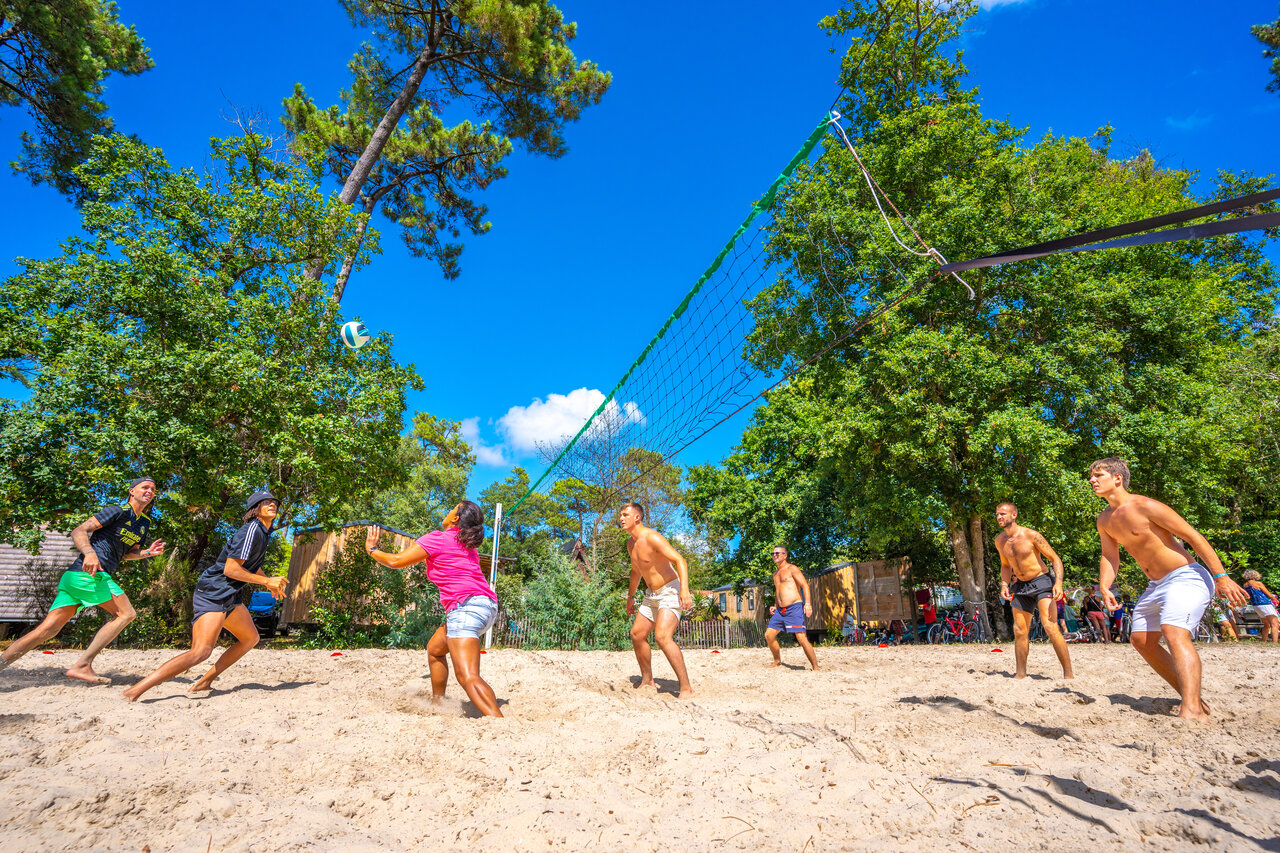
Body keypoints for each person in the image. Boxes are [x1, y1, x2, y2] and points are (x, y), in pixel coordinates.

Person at [1090, 457, 1248, 721]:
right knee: (1142, 641)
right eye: (1091, 476)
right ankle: (1194, 699)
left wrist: (1221, 576)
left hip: (1186, 577)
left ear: (1117, 478)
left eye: (1098, 475)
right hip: (1156, 585)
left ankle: (1193, 710)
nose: (1092, 480)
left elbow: (1193, 536)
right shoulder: (1104, 519)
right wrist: (1104, 586)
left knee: (1174, 633)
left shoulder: (1145, 506)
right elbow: (1109, 555)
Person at [123, 491, 286, 701]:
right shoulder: (251, 530)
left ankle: (204, 681)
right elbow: (231, 570)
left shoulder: (264, 532)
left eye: (274, 502)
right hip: (214, 591)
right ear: (255, 509)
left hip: (230, 593)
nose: (272, 504)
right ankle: (134, 690)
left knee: (250, 638)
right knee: (200, 652)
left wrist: (269, 581)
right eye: (266, 502)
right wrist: (266, 582)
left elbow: (251, 565)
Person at [0, 477, 166, 683]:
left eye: (153, 488)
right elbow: (79, 530)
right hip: (90, 573)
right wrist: (89, 553)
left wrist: (147, 553)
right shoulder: (117, 510)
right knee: (126, 614)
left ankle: (1, 664)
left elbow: (128, 554)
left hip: (76, 577)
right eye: (145, 487)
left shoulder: (143, 523)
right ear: (132, 491)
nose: (150, 490)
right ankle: (83, 665)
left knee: (47, 630)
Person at [363, 501, 503, 717]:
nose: (448, 510)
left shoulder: (439, 538)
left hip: (466, 609)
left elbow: (396, 561)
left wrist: (372, 549)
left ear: (455, 518)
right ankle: (438, 704)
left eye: (452, 508)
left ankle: (499, 723)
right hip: (485, 606)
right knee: (436, 650)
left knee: (468, 676)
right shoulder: (468, 545)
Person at [620, 502, 694, 698]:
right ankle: (647, 680)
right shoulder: (630, 544)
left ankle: (686, 687)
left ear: (637, 517)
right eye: (621, 515)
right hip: (651, 594)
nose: (621, 518)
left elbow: (680, 560)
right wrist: (630, 597)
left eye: (625, 514)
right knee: (637, 634)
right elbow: (636, 571)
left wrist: (684, 591)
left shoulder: (652, 537)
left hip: (670, 590)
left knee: (662, 636)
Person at [993, 502, 1073, 679]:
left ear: (1014, 515)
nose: (999, 517)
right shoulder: (1000, 541)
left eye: (1003, 514)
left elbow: (1055, 559)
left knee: (1050, 626)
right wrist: (1004, 584)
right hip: (1021, 585)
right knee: (1020, 630)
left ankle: (1068, 674)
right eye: (997, 514)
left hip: (1041, 581)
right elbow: (1005, 566)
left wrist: (1058, 583)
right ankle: (1020, 674)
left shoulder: (1031, 535)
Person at [764, 546, 820, 670]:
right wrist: (775, 605)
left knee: (801, 638)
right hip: (780, 610)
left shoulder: (792, 569)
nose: (775, 555)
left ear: (785, 555)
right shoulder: (775, 574)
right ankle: (777, 661)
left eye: (778, 553)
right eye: (773, 553)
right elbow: (779, 591)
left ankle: (816, 667)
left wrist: (808, 604)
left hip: (794, 607)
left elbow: (804, 585)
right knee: (769, 635)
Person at [1242, 570, 1279, 643]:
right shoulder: (1258, 583)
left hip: (1256, 606)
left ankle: (1263, 641)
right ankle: (1275, 642)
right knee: (1275, 624)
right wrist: (1275, 600)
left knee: (1266, 624)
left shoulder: (1245, 585)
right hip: (1265, 604)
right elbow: (1269, 594)